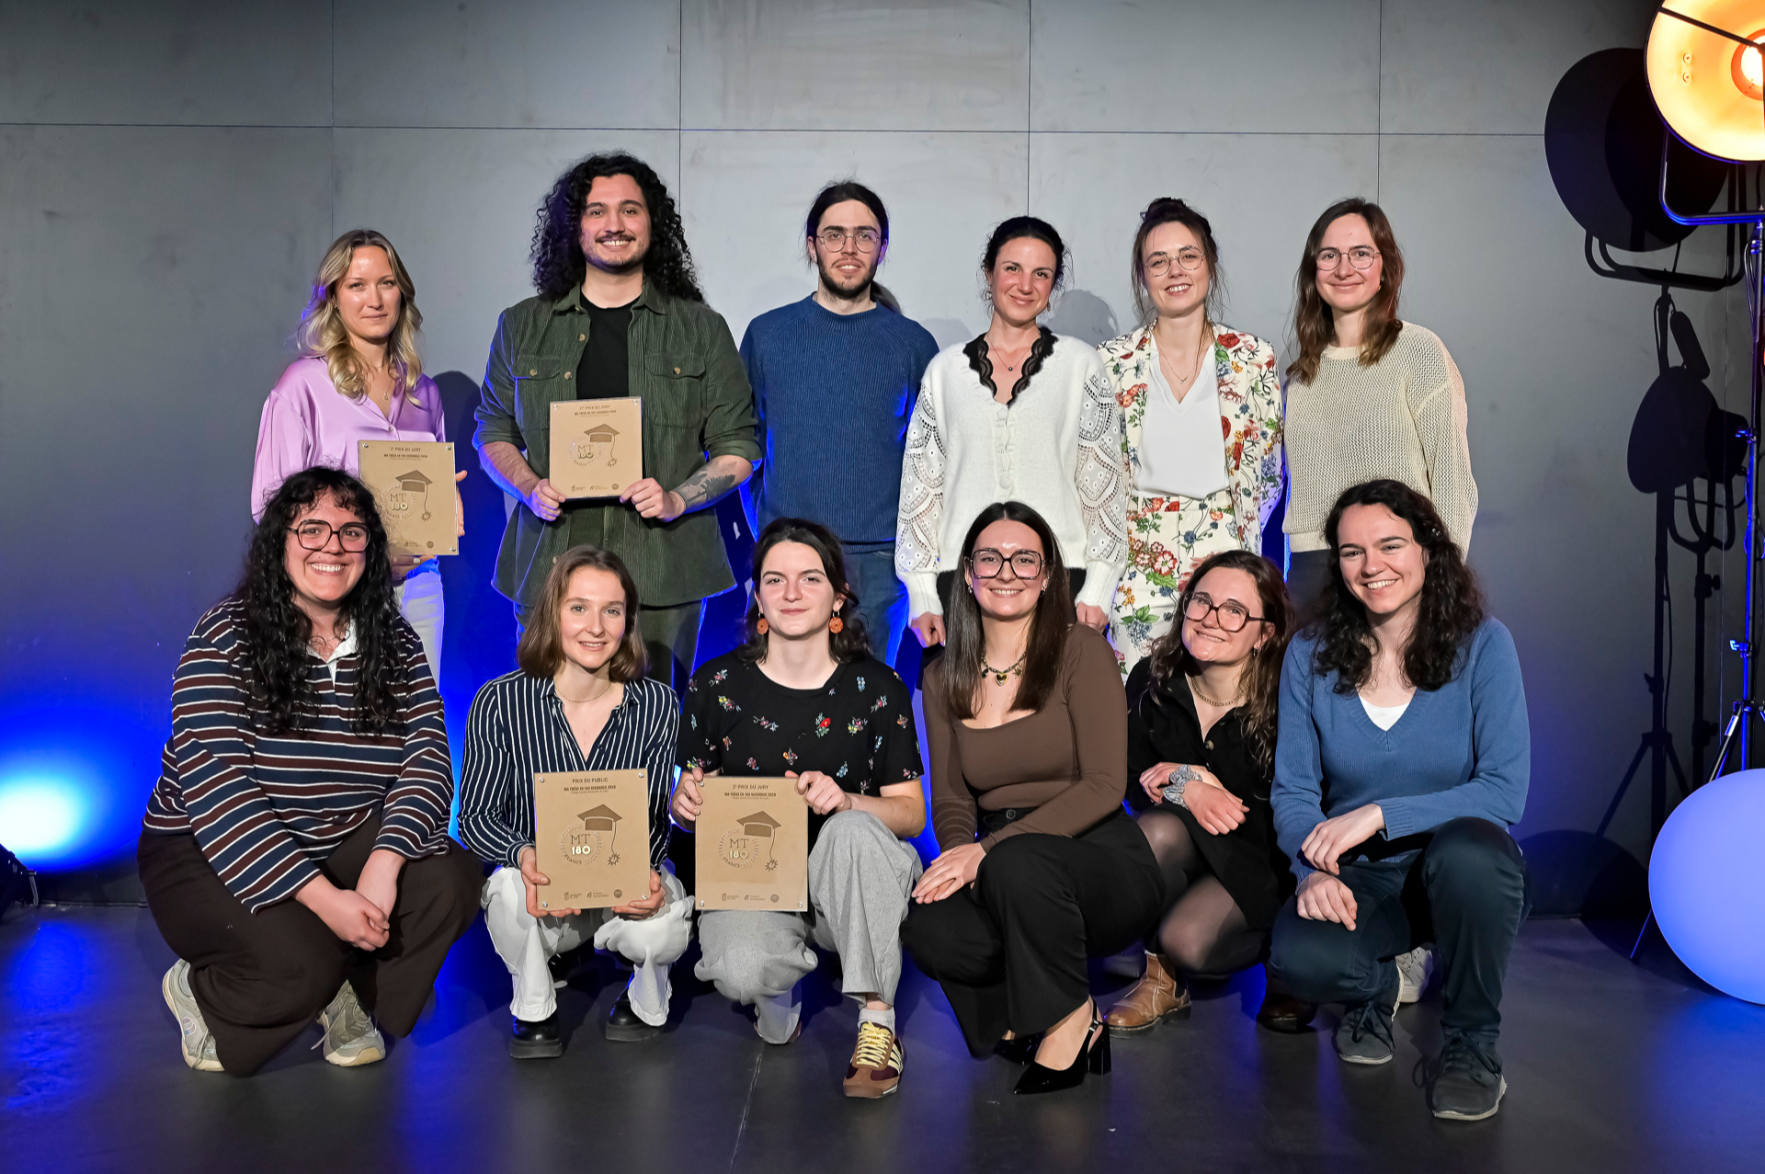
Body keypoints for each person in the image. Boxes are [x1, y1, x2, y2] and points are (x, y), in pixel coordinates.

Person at [139, 467, 482, 1076]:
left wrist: (383, 865)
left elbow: (428, 758)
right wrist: (326, 902)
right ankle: (205, 990)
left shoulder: (395, 641)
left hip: (342, 834)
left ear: (371, 549)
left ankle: (346, 989)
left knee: (449, 880)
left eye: (352, 533)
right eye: (313, 529)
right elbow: (224, 799)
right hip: (207, 848)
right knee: (300, 968)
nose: (333, 547)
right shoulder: (223, 638)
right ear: (279, 540)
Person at [1269, 480, 1528, 1122]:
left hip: (1459, 868)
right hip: (1362, 877)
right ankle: (1379, 986)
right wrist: (1310, 872)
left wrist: (1382, 813)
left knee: (1472, 849)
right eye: (1351, 551)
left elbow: (1503, 790)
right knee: (1296, 961)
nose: (1371, 565)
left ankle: (1472, 1046)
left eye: (1390, 544)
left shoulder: (1484, 644)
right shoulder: (1309, 653)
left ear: (1428, 549)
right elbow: (1295, 792)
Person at [901, 502, 1161, 1096]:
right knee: (929, 923)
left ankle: (1071, 1016)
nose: (1006, 572)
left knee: (1018, 862)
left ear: (1048, 577)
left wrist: (989, 851)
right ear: (967, 572)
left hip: (1098, 854)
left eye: (1025, 559)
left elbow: (1103, 785)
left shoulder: (1081, 651)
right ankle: (1019, 1015)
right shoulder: (942, 675)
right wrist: (962, 857)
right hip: (1004, 860)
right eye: (990, 558)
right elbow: (952, 801)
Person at [474, 152, 761, 688]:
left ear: (653, 222)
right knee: (549, 736)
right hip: (550, 566)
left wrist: (679, 497)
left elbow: (739, 446)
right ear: (574, 226)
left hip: (663, 571)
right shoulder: (522, 326)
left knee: (653, 731)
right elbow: (493, 432)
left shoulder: (700, 329)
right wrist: (530, 486)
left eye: (630, 210)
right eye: (597, 211)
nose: (614, 225)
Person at [670, 519, 925, 1099]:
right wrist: (682, 808)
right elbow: (688, 803)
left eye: (810, 578)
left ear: (838, 596)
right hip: (756, 883)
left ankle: (877, 1023)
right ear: (756, 595)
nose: (790, 593)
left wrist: (847, 800)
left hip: (853, 886)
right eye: (775, 579)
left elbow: (911, 815)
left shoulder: (878, 687)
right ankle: (775, 979)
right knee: (739, 967)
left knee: (854, 830)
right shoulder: (716, 685)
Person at [457, 545, 688, 1057]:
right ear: (553, 612)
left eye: (612, 610)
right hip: (544, 890)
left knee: (665, 928)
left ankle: (644, 999)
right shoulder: (499, 702)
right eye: (579, 607)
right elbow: (474, 818)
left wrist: (647, 872)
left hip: (620, 888)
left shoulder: (656, 705)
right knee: (509, 893)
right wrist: (525, 855)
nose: (596, 626)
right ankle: (535, 1009)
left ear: (627, 619)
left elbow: (654, 817)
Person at [1104, 549, 1313, 1035]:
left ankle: (1285, 955)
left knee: (1189, 940)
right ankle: (1161, 980)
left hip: (1262, 862)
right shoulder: (1152, 678)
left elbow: (1284, 808)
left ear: (1265, 632)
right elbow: (1136, 783)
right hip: (1190, 849)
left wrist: (1190, 778)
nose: (1211, 619)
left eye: (1234, 610)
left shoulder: (1291, 693)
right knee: (1153, 832)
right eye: (1201, 601)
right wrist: (1187, 782)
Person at [897, 217, 1128, 652]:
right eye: (1012, 269)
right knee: (967, 715)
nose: (1025, 284)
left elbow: (1105, 491)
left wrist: (1099, 588)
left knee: (1053, 718)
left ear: (1053, 284)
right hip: (962, 585)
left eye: (1041, 274)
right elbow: (920, 494)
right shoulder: (944, 372)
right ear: (989, 272)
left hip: (1059, 582)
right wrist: (922, 593)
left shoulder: (1081, 366)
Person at [250, 228, 465, 682]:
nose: (375, 299)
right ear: (333, 297)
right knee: (344, 726)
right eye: (357, 285)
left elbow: (429, 488)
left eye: (386, 283)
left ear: (402, 293)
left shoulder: (423, 392)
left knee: (419, 717)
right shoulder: (303, 385)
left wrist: (447, 503)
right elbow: (270, 506)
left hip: (420, 585)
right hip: (335, 587)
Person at [740, 181, 939, 668]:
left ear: (882, 248)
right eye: (834, 235)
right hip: (789, 556)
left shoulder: (913, 345)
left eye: (864, 236)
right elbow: (741, 444)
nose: (849, 249)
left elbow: (930, 465)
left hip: (878, 567)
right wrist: (770, 537)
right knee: (781, 707)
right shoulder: (767, 335)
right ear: (812, 246)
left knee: (868, 708)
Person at [1099, 199, 1284, 673]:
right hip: (1137, 563)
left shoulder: (1252, 358)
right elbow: (1095, 475)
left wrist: (1231, 543)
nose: (1174, 270)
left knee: (1226, 703)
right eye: (1157, 261)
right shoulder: (1111, 363)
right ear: (1142, 276)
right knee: (1142, 705)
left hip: (1227, 555)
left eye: (1188, 256)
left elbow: (1267, 474)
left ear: (1210, 263)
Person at [1282, 198, 1477, 611]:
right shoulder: (1301, 375)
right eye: (1329, 255)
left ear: (1385, 267)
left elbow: (1453, 480)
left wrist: (1443, 580)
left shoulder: (1418, 351)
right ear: (1312, 271)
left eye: (1361, 254)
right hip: (1311, 574)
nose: (1344, 268)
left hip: (1391, 567)